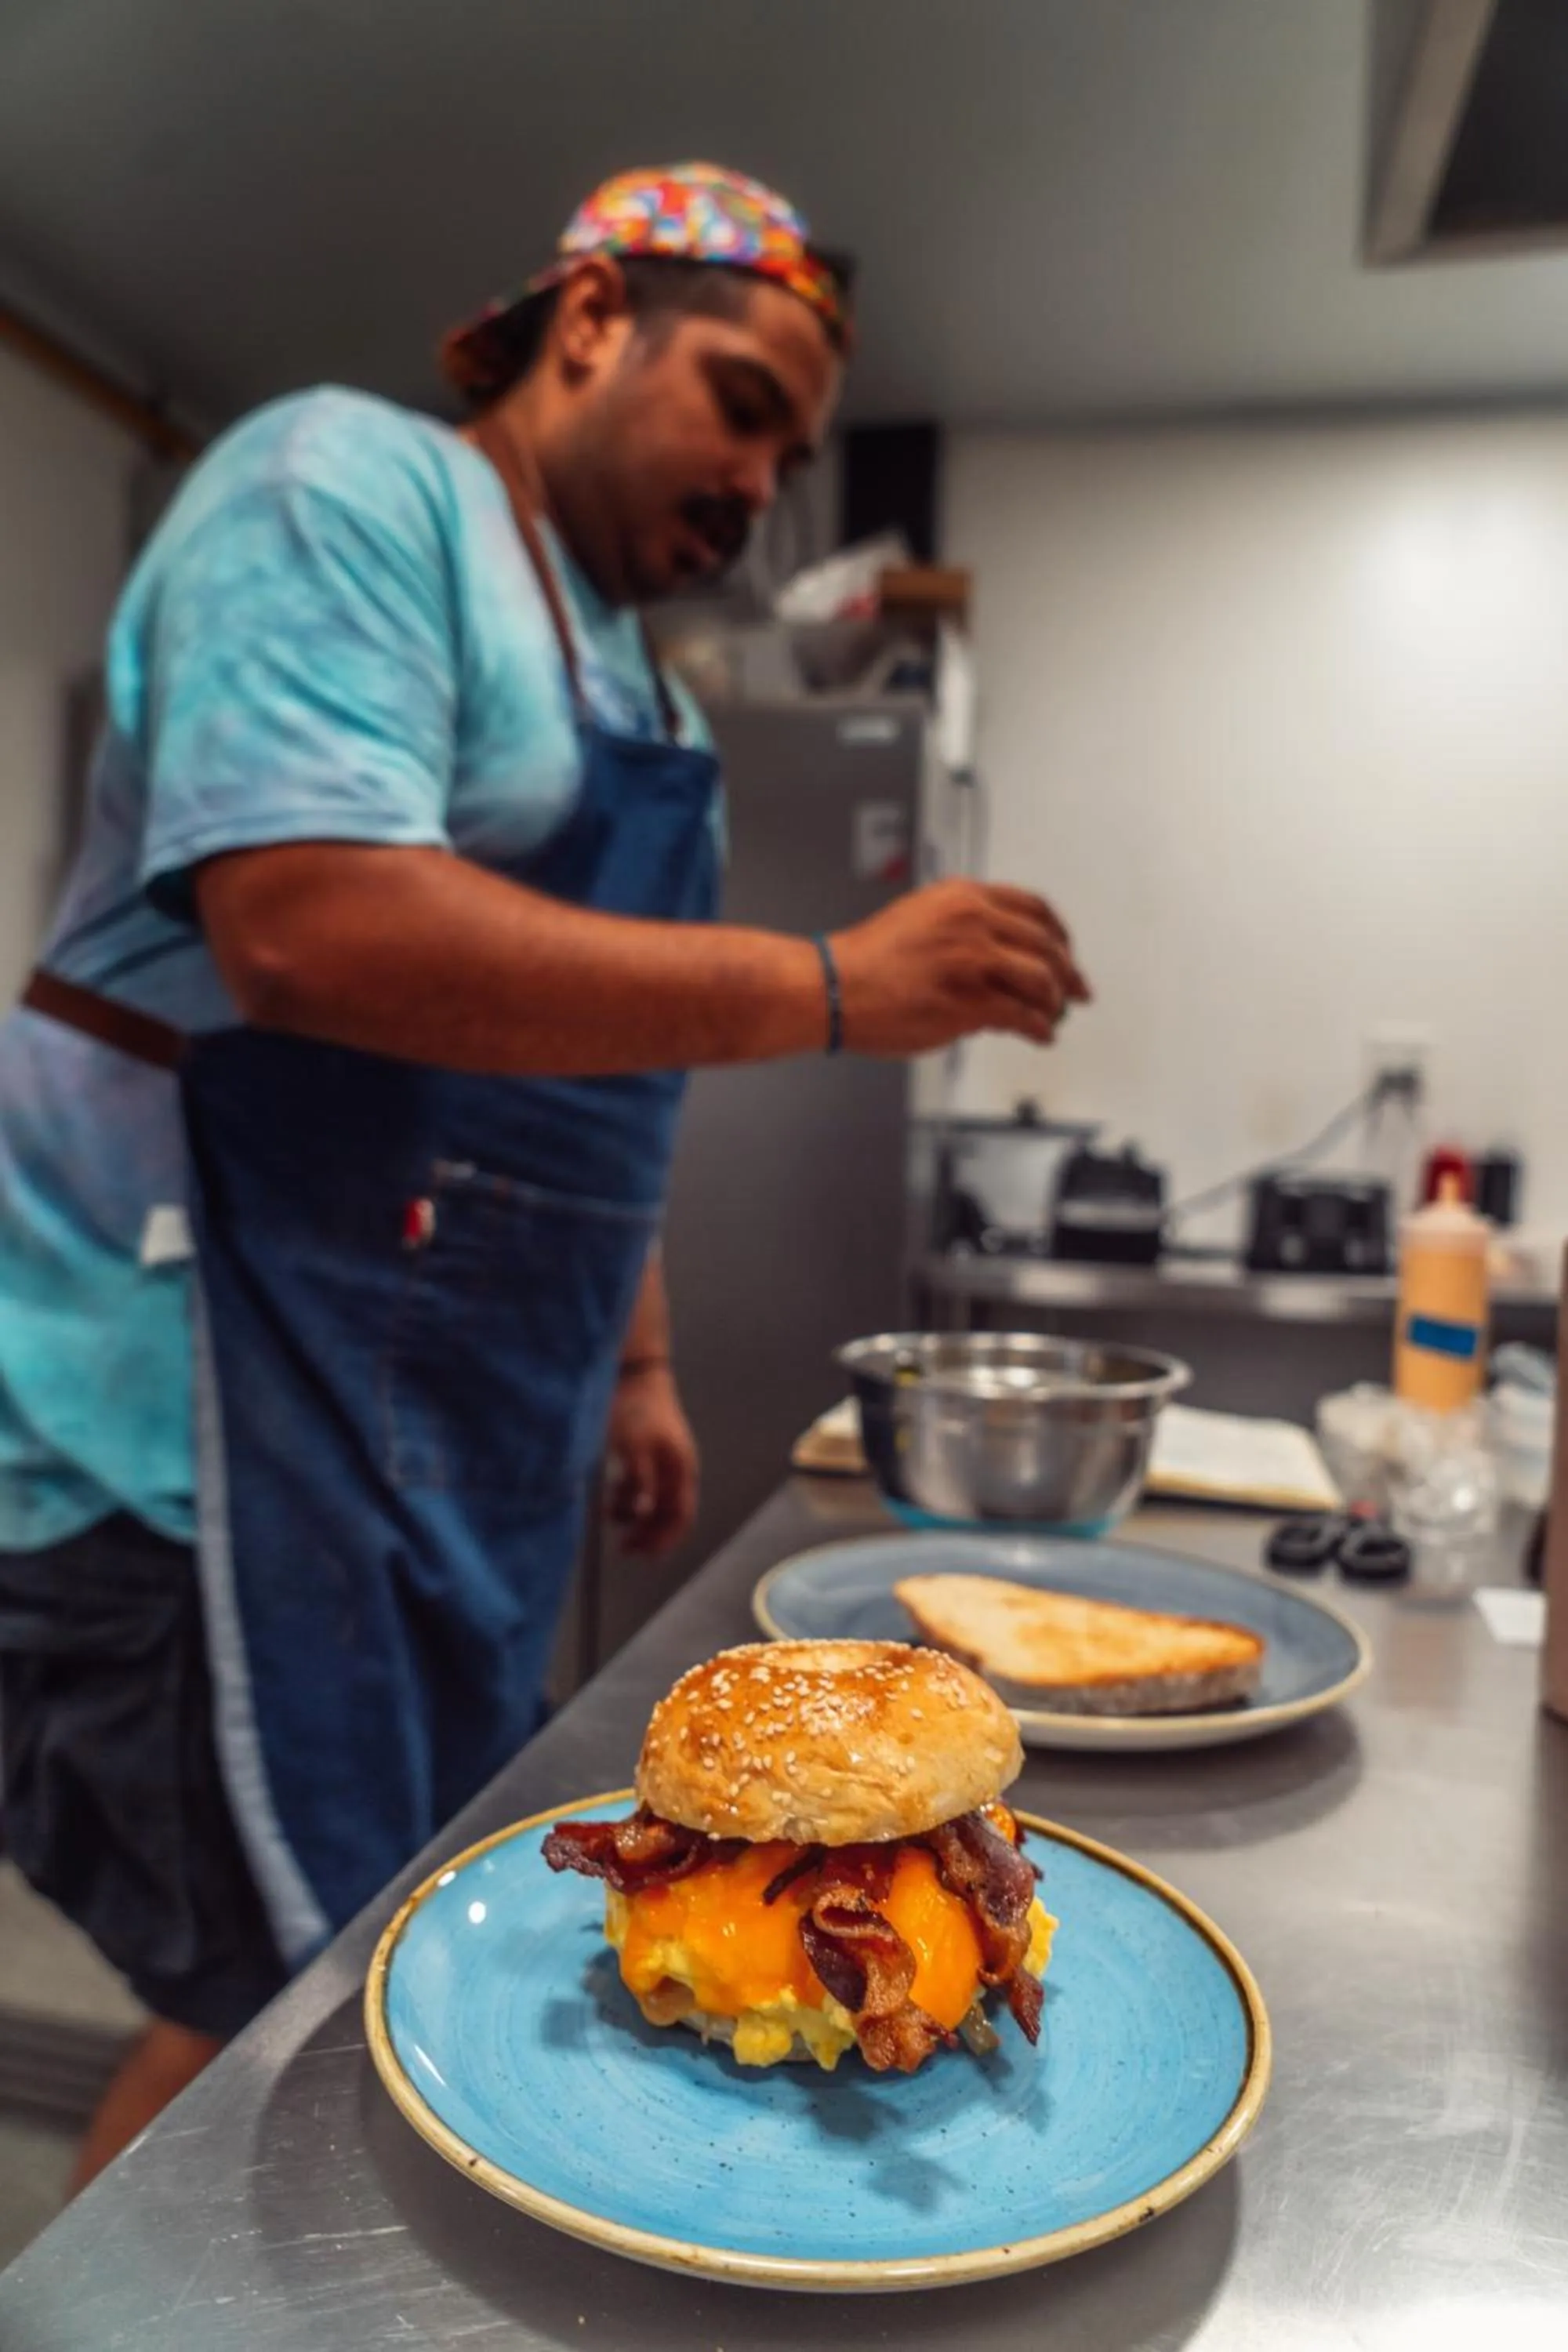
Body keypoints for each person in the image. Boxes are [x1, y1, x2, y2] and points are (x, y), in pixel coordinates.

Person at [0, 162, 1087, 2181]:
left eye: (797, 444)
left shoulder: (638, 682)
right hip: (180, 1418)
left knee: (373, 1945)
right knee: (280, 2004)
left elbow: (575, 1073)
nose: (765, 480)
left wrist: (640, 1351)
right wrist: (833, 981)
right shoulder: (344, 491)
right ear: (588, 321)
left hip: (423, 1418)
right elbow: (307, 929)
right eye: (743, 402)